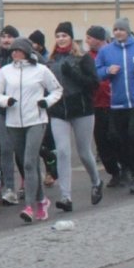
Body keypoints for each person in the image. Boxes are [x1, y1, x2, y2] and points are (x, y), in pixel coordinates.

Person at [0, 38, 62, 223]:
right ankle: (42, 200)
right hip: (13, 122)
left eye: (18, 50)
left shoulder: (41, 70)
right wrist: (5, 101)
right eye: (12, 51)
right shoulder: (5, 71)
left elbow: (57, 90)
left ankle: (29, 206)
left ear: (27, 52)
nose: (14, 53)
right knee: (28, 163)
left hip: (36, 120)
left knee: (29, 163)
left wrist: (46, 102)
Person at [94, 19, 134, 193]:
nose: (118, 32)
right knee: (118, 137)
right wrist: (107, 71)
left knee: (133, 134)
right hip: (118, 103)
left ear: (128, 31)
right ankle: (126, 168)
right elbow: (96, 72)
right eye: (115, 29)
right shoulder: (106, 51)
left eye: (121, 29)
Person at [46, 25, 105, 209]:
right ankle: (66, 197)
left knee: (84, 152)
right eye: (58, 36)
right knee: (63, 152)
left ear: (71, 38)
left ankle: (96, 181)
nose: (61, 39)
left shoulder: (83, 58)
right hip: (59, 111)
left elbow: (94, 84)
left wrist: (73, 74)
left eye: (64, 35)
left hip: (81, 110)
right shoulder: (51, 61)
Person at [0, 26, 23, 203]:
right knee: (5, 149)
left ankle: (30, 182)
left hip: (23, 111)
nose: (6, 40)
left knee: (22, 150)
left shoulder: (28, 58)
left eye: (10, 37)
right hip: (2, 111)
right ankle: (9, 188)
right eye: (3, 36)